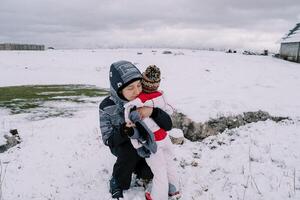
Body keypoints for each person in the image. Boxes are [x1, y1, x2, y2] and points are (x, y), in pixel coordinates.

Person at [99, 61, 173, 199]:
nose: (137, 91)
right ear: (118, 90)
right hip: (122, 144)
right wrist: (124, 131)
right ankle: (117, 180)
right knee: (131, 148)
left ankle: (138, 168)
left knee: (148, 173)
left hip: (146, 142)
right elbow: (108, 140)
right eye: (130, 88)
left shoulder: (146, 99)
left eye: (139, 85)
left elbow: (168, 125)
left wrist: (152, 112)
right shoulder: (107, 106)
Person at [124, 65, 181, 200]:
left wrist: (138, 146)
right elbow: (171, 110)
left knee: (159, 170)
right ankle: (174, 189)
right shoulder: (161, 95)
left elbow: (130, 121)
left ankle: (157, 197)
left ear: (143, 82)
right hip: (165, 138)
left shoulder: (137, 102)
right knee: (169, 163)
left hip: (151, 142)